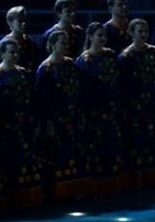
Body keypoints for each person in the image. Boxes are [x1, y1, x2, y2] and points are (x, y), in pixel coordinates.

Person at [35, 30, 92, 200]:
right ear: (52, 45)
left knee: (74, 151)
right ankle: (57, 193)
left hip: (72, 115)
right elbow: (41, 100)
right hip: (55, 118)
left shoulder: (71, 64)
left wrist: (80, 112)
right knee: (57, 154)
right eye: (62, 42)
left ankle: (75, 189)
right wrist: (47, 122)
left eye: (66, 42)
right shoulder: (45, 69)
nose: (65, 45)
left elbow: (79, 91)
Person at [118, 19, 155, 188]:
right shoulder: (125, 57)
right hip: (135, 105)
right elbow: (124, 85)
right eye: (139, 31)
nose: (143, 34)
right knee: (137, 140)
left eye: (145, 31)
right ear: (131, 33)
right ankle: (137, 180)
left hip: (153, 103)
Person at [75, 23, 123, 197]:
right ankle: (93, 187)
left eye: (104, 35)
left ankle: (111, 184)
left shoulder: (110, 55)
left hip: (110, 108)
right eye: (99, 35)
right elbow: (82, 89)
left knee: (111, 145)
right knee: (94, 147)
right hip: (93, 110)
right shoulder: (83, 60)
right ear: (90, 37)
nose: (102, 38)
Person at [0, 38, 43, 208]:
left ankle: (26, 199)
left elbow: (34, 100)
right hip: (4, 128)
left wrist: (36, 121)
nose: (15, 55)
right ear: (1, 54)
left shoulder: (24, 73)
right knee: (6, 163)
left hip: (24, 126)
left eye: (17, 52)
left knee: (25, 161)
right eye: (11, 52)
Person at [1, 6, 41, 71]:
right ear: (10, 22)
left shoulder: (30, 43)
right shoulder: (3, 45)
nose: (24, 23)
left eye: (26, 20)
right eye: (20, 21)